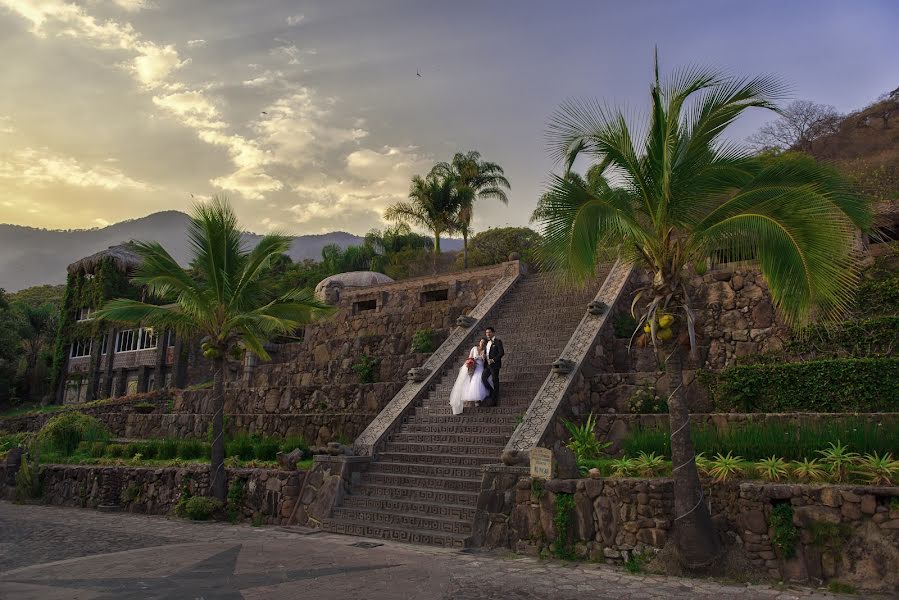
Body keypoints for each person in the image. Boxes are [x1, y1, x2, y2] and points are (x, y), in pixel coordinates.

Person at [448, 338, 492, 415]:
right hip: (474, 368)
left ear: (485, 344)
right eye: (481, 341)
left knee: (480, 379)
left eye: (484, 342)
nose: (482, 343)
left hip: (481, 368)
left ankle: (478, 400)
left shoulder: (485, 351)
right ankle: (475, 399)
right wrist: (470, 363)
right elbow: (470, 357)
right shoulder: (474, 348)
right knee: (475, 380)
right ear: (479, 342)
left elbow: (487, 361)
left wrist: (484, 357)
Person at [481, 326, 504, 407]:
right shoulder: (487, 342)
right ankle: (491, 392)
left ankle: (495, 400)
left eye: (489, 332)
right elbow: (487, 351)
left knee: (495, 381)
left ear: (493, 333)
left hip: (494, 365)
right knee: (483, 378)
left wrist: (493, 360)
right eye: (486, 333)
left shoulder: (498, 341)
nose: (488, 334)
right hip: (487, 365)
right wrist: (483, 355)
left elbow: (501, 353)